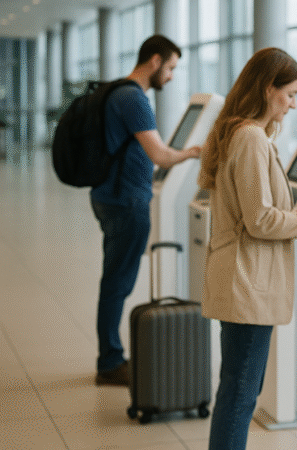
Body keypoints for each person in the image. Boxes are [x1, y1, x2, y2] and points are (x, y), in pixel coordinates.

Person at [197, 47, 297, 450]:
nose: (292, 104)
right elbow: (262, 219)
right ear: (268, 88)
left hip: (236, 274)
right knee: (241, 392)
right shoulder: (250, 137)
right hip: (247, 281)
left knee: (234, 386)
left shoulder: (234, 131)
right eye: (289, 94)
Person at [92, 34, 201, 386]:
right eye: (169, 67)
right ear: (154, 61)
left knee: (115, 279)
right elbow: (160, 155)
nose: (170, 76)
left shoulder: (117, 92)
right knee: (118, 282)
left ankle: (109, 355)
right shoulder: (133, 98)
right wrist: (195, 151)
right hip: (127, 201)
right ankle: (110, 361)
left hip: (111, 195)